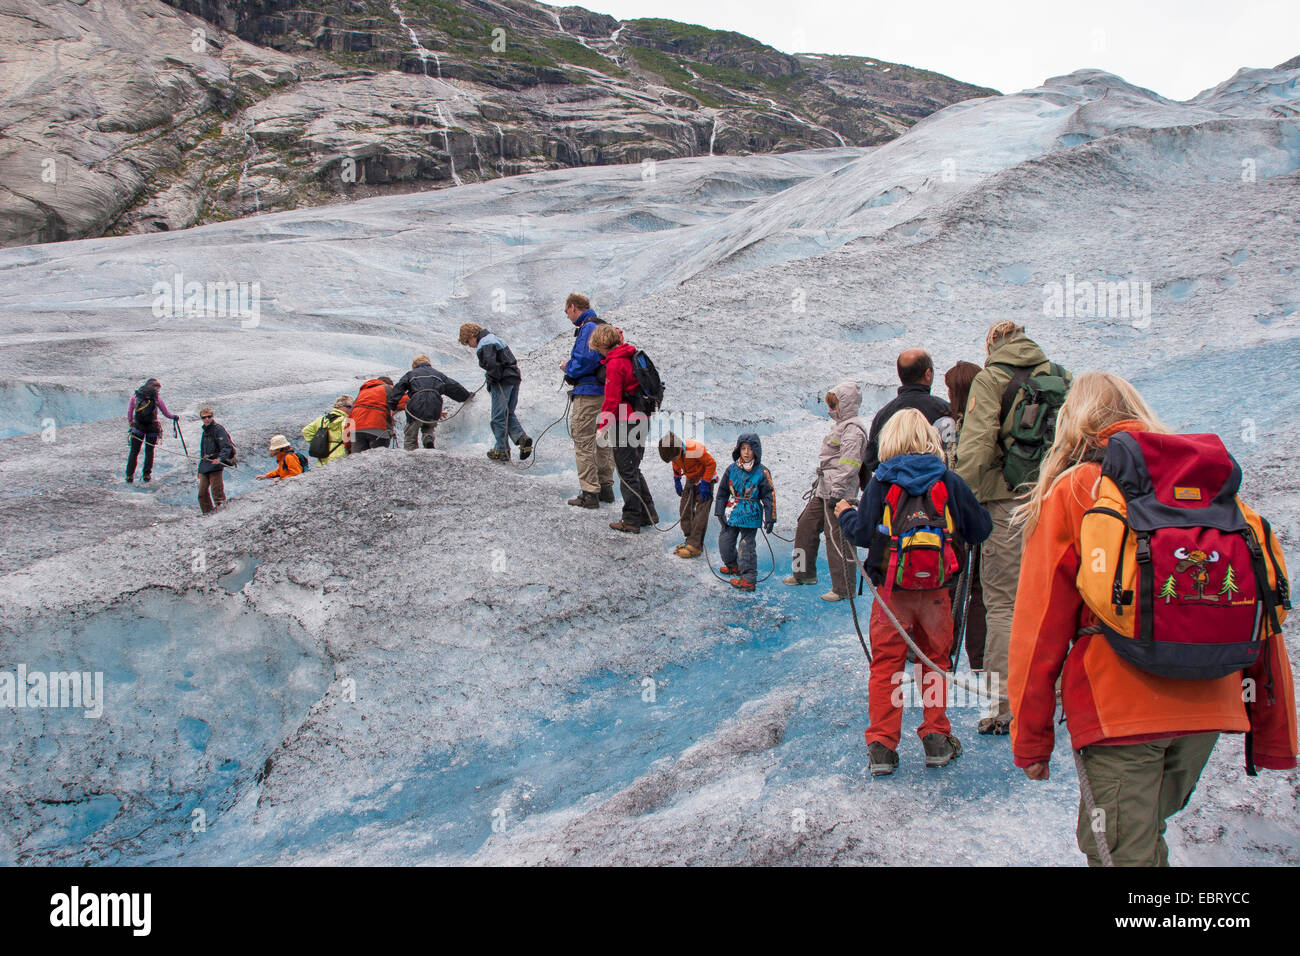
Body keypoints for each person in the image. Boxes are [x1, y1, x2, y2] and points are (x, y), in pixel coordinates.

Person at [1008, 372, 1296, 866]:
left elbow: (1041, 626)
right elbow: (1261, 612)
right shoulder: (1210, 492)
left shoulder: (1079, 489)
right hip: (1212, 703)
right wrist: (1274, 731)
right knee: (1139, 842)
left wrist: (1030, 736)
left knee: (1119, 853)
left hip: (1120, 708)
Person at [837, 409, 991, 775]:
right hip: (938, 592)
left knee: (887, 666)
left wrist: (845, 512)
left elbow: (860, 533)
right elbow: (980, 529)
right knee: (935, 663)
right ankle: (936, 737)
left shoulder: (880, 481)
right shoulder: (948, 480)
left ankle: (882, 747)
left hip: (892, 593)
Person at [954, 322, 1071, 735]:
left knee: (1003, 604)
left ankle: (1003, 705)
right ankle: (1055, 692)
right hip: (1051, 501)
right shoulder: (1058, 375)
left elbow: (976, 444)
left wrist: (960, 499)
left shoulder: (991, 378)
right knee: (1048, 600)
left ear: (991, 345)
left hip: (1004, 501)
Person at [785, 381, 867, 601]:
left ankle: (844, 588)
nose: (830, 409)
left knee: (837, 538)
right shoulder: (840, 426)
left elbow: (850, 465)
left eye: (834, 404)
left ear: (846, 404)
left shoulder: (853, 431)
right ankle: (803, 573)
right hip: (824, 489)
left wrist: (837, 493)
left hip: (838, 494)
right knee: (805, 525)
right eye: (829, 404)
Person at [590, 323, 656, 532]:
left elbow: (611, 400)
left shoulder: (615, 363)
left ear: (602, 343)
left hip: (625, 422)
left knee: (626, 472)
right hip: (641, 419)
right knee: (633, 468)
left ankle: (631, 520)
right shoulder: (630, 355)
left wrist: (602, 427)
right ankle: (648, 513)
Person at [944, 360, 986, 668]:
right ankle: (979, 656)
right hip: (982, 510)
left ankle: (944, 647)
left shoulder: (944, 425)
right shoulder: (986, 423)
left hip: (950, 514)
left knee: (951, 580)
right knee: (979, 587)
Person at [861, 349, 955, 479]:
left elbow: (872, 460)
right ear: (928, 374)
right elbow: (954, 457)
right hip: (937, 489)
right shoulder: (945, 410)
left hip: (894, 494)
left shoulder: (883, 415)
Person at [562, 294, 615, 508]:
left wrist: (568, 368)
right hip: (607, 392)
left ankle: (589, 493)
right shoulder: (604, 325)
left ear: (573, 307)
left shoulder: (588, 327)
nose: (567, 316)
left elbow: (587, 359)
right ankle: (606, 489)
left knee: (583, 440)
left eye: (566, 312)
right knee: (603, 440)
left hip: (589, 392)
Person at [458, 323, 533, 462]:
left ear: (471, 335)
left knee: (498, 417)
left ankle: (501, 450)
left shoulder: (485, 343)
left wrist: (491, 379)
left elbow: (492, 365)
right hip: (514, 377)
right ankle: (521, 438)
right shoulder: (495, 338)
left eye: (468, 342)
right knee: (508, 413)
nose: (470, 346)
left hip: (502, 381)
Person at [715, 433, 776, 592]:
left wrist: (770, 517)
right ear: (738, 450)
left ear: (756, 450)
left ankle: (748, 579)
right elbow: (722, 491)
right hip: (732, 512)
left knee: (746, 546)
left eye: (750, 449)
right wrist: (719, 511)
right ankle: (733, 565)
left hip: (750, 514)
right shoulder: (731, 469)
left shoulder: (762, 472)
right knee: (725, 541)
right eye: (743, 448)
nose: (747, 452)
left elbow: (769, 496)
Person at [388, 355, 472, 450]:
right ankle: (428, 437)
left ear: (414, 365)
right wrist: (467, 396)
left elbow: (398, 388)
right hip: (435, 405)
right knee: (429, 427)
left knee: (411, 435)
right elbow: (453, 386)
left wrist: (392, 405)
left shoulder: (410, 374)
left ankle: (410, 453)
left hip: (416, 404)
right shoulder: (438, 374)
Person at [659, 432, 716, 558]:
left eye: (674, 457)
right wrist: (677, 478)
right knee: (684, 509)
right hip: (691, 479)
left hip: (706, 480)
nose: (674, 460)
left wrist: (706, 482)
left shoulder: (693, 449)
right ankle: (689, 539)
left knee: (701, 512)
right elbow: (676, 462)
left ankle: (695, 546)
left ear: (680, 448)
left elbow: (711, 464)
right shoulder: (675, 453)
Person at [125, 377, 179, 483]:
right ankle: (146, 474)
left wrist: (131, 423)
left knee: (134, 452)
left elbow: (129, 411)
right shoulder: (156, 397)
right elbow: (165, 413)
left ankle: (129, 475)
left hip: (138, 427)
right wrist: (174, 417)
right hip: (152, 427)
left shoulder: (136, 396)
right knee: (149, 451)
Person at [196, 407, 235, 515]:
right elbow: (202, 452)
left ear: (212, 417)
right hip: (205, 465)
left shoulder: (218, 429)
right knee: (202, 493)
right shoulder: (205, 432)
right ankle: (207, 513)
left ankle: (222, 513)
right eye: (204, 417)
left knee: (216, 491)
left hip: (216, 465)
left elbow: (227, 447)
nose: (207, 419)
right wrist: (199, 469)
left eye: (209, 417)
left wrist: (220, 459)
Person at [348, 376, 394, 453]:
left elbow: (350, 416)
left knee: (358, 460)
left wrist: (348, 444)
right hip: (378, 428)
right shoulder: (387, 388)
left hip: (357, 430)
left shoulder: (363, 393)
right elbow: (402, 400)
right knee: (379, 459)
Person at [302, 395, 353, 466]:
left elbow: (306, 431)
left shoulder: (321, 419)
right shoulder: (346, 420)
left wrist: (316, 442)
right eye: (349, 407)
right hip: (340, 457)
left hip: (322, 456)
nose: (351, 409)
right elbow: (349, 439)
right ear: (340, 406)